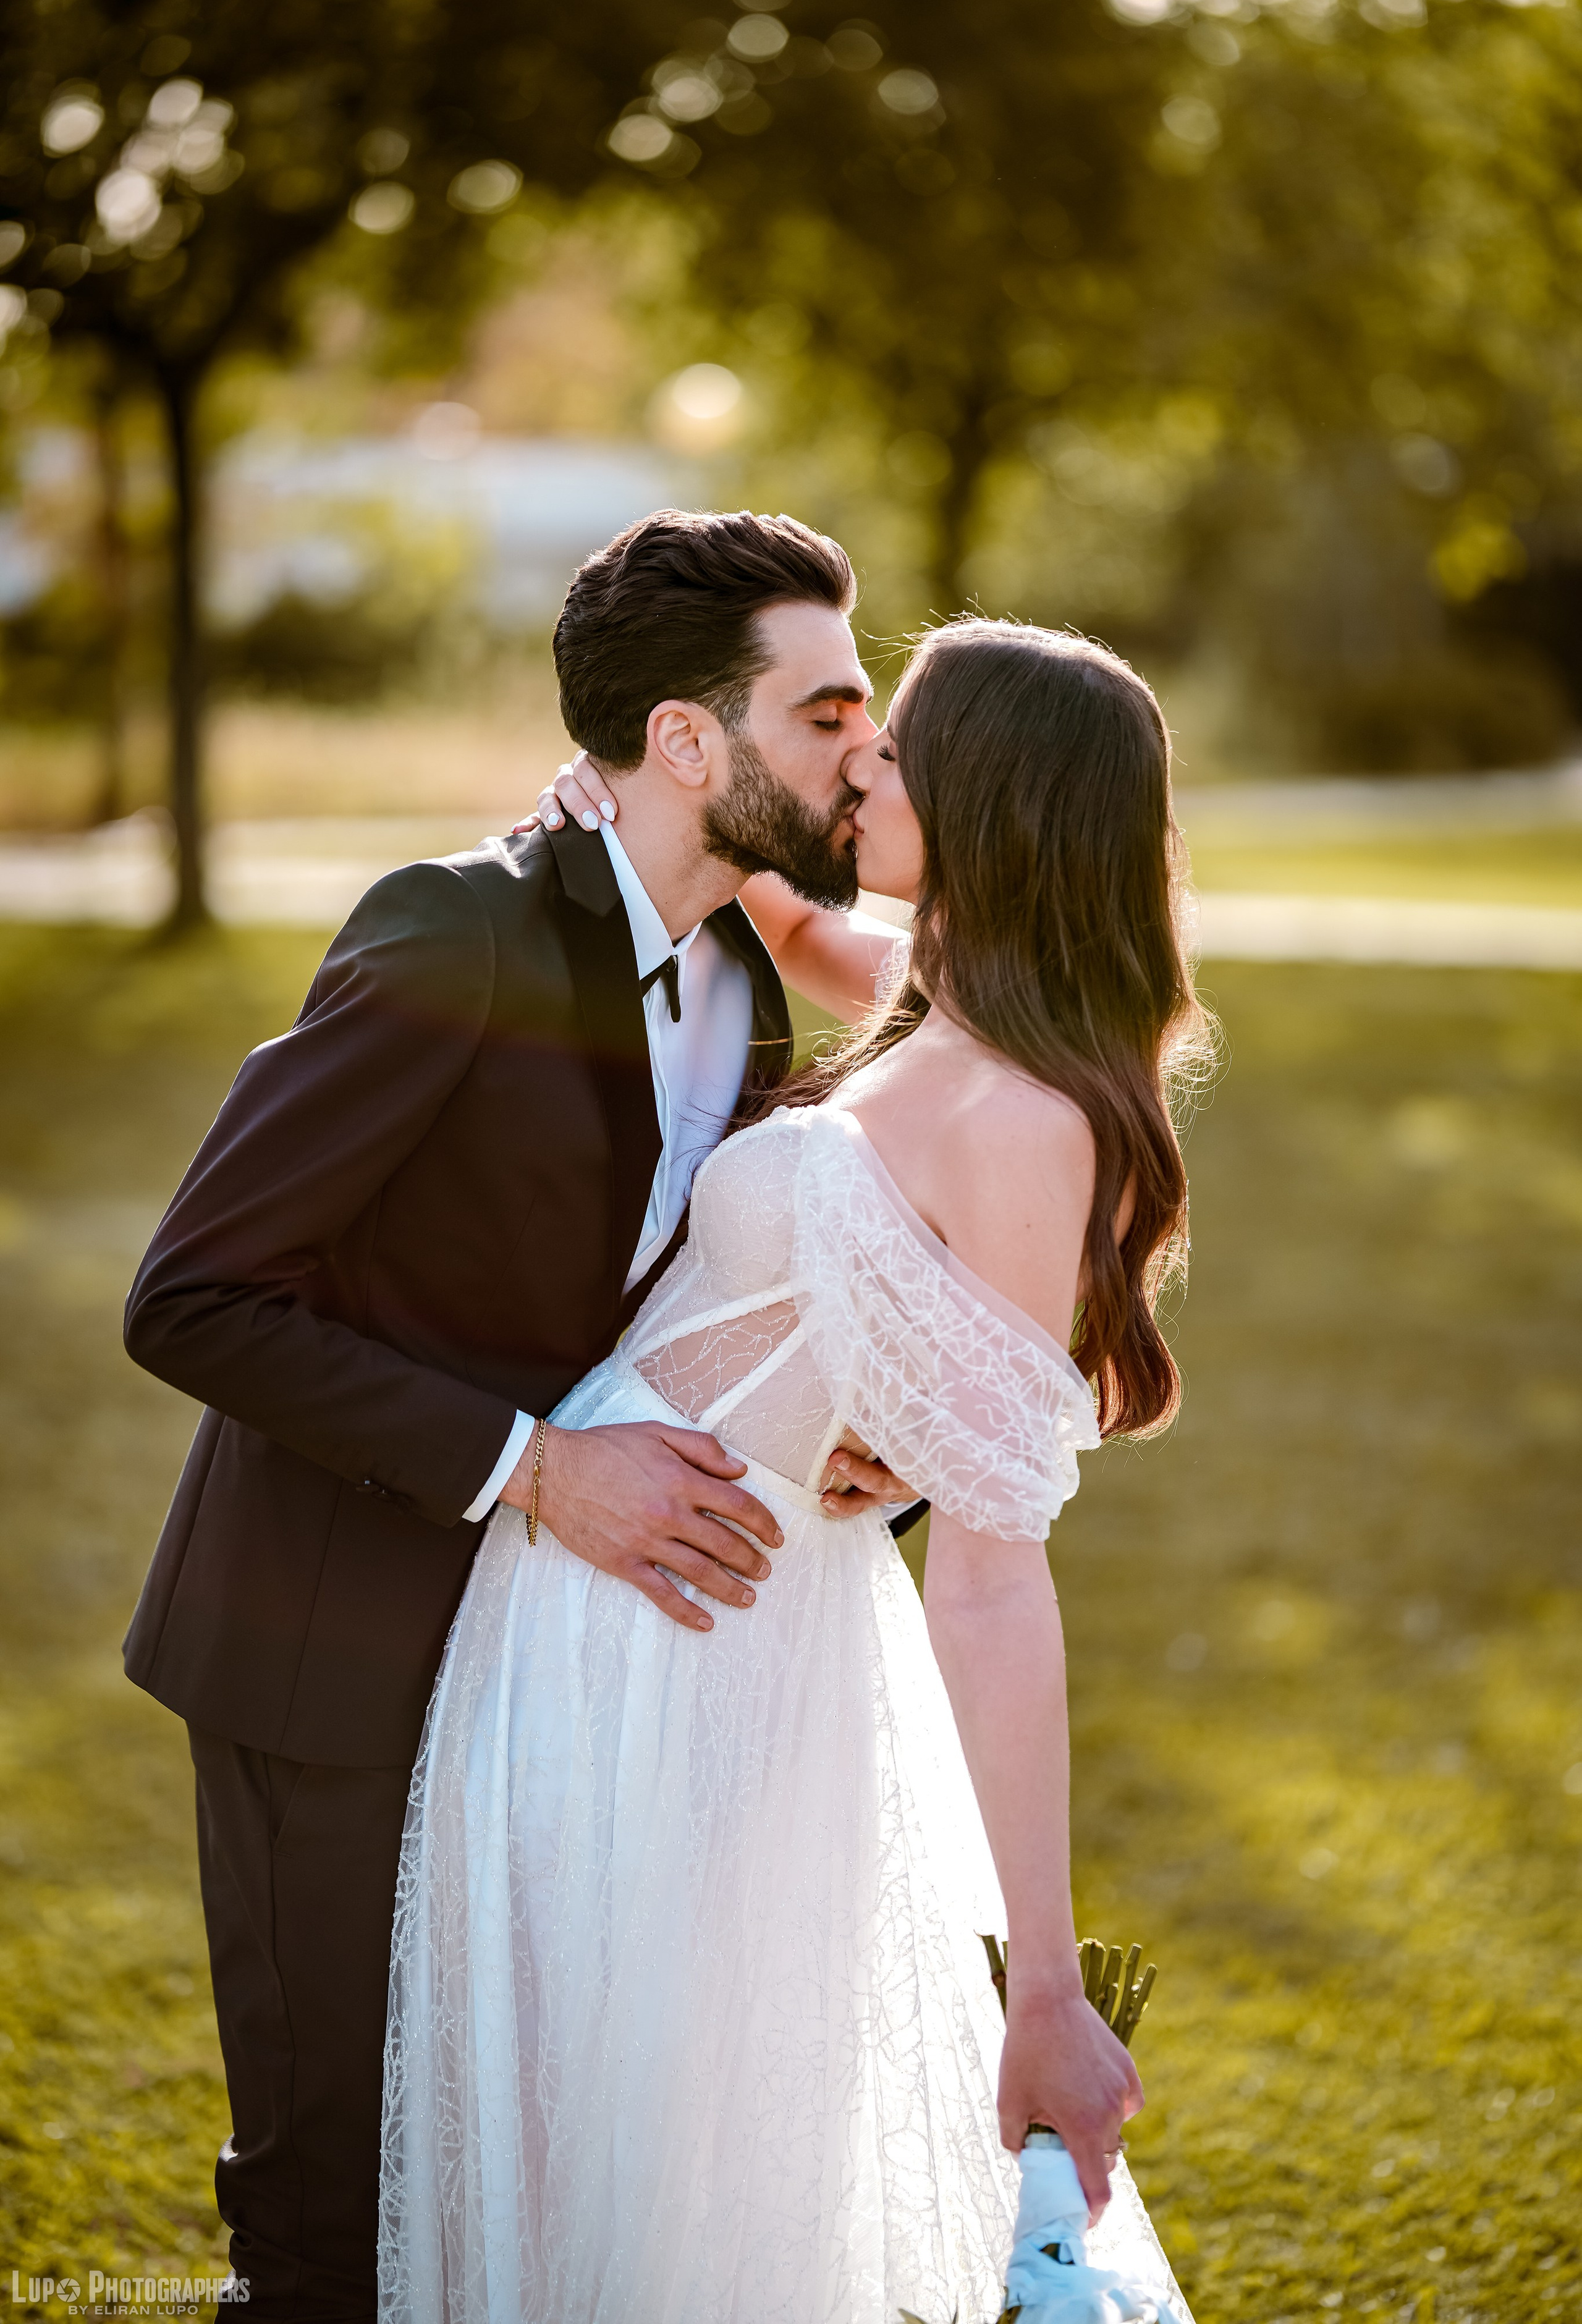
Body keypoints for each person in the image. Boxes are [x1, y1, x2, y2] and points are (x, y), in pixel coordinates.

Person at [121, 509, 924, 2323]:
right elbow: (195, 1298)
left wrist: (848, 1453)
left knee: (512, 2184)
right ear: (686, 740)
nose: (867, 751)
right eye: (828, 713)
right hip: (328, 1655)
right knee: (334, 2216)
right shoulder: (456, 929)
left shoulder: (753, 1000)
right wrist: (542, 1474)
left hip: (568, 1701)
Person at [377, 617, 1209, 2323]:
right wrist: (673, 855)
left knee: (680, 2180)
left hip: (705, 1649)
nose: (859, 765)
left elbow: (993, 1570)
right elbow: (829, 946)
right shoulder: (939, 1000)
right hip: (608, 1615)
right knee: (602, 2163)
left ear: (992, 797)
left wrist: (1041, 1984)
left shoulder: (1023, 1112)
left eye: (893, 746)